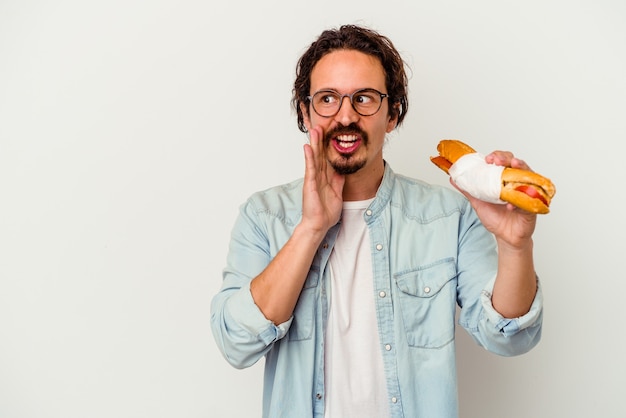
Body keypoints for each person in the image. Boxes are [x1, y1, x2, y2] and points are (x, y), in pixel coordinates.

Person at [210, 24, 543, 418]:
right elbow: (236, 343)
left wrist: (515, 245)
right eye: (328, 98)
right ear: (305, 112)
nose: (346, 116)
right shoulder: (263, 216)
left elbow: (508, 337)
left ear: (392, 114)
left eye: (364, 98)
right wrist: (311, 227)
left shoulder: (448, 215)